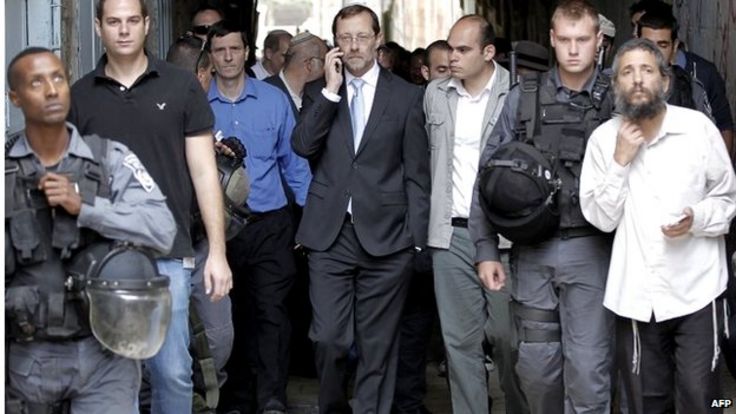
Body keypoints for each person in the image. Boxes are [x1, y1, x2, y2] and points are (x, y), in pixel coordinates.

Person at [68, 1, 232, 413]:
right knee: (108, 374)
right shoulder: (79, 96)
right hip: (102, 260)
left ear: (146, 25)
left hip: (169, 255)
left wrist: (217, 253)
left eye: (131, 21)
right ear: (98, 27)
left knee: (172, 372)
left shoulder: (180, 86)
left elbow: (204, 173)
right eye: (113, 22)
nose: (122, 30)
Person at [5, 47, 175, 414]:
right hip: (25, 361)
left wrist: (86, 208)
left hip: (105, 359)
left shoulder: (110, 159)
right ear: (14, 97)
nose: (52, 90)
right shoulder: (5, 173)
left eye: (58, 79)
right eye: (37, 82)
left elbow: (163, 230)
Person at [469, 1, 616, 413]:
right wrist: (485, 250)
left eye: (582, 40)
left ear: (598, 41)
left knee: (589, 372)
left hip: (593, 251)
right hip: (533, 254)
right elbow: (488, 178)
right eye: (565, 40)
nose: (573, 50)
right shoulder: (523, 99)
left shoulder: (616, 100)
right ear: (552, 40)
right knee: (537, 371)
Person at [580, 37, 736, 414]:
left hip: (698, 290)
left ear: (664, 82)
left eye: (647, 70)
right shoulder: (604, 140)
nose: (637, 79)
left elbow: (727, 200)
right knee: (647, 403)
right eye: (627, 72)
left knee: (706, 400)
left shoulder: (698, 129)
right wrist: (620, 160)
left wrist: (696, 219)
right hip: (637, 297)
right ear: (616, 85)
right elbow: (600, 218)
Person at [290, 4, 430, 413]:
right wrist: (331, 92)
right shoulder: (318, 92)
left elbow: (417, 175)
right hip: (330, 235)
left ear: (377, 40)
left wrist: (416, 243)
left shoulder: (407, 97)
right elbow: (302, 147)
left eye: (362, 36)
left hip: (389, 239)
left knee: (378, 347)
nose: (353, 45)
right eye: (345, 37)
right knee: (329, 338)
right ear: (335, 44)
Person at [206, 20, 312, 414]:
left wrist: (308, 221)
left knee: (272, 313)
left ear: (246, 52)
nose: (229, 57)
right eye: (220, 51)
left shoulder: (273, 100)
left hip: (270, 225)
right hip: (218, 231)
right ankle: (235, 399)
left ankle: (271, 398)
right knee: (228, 316)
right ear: (212, 57)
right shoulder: (199, 103)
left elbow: (295, 165)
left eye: (235, 49)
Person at [423, 15, 527, 414]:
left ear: (488, 52)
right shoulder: (435, 94)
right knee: (459, 344)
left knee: (508, 339)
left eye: (463, 49)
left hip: (503, 237)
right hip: (449, 234)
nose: (452, 57)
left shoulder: (516, 94)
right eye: (450, 48)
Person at [165, 33, 236, 413]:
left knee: (216, 337)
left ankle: (204, 403)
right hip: (162, 250)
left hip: (202, 243)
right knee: (163, 349)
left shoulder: (201, 115)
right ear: (201, 74)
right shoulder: (151, 113)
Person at [636, 9, 713, 117]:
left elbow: (706, 131)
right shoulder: (614, 87)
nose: (654, 52)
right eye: (647, 45)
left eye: (662, 45)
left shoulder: (692, 90)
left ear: (675, 46)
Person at [265, 32, 328, 118]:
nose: (327, 68)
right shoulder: (265, 93)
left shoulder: (317, 94)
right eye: (324, 61)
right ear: (310, 64)